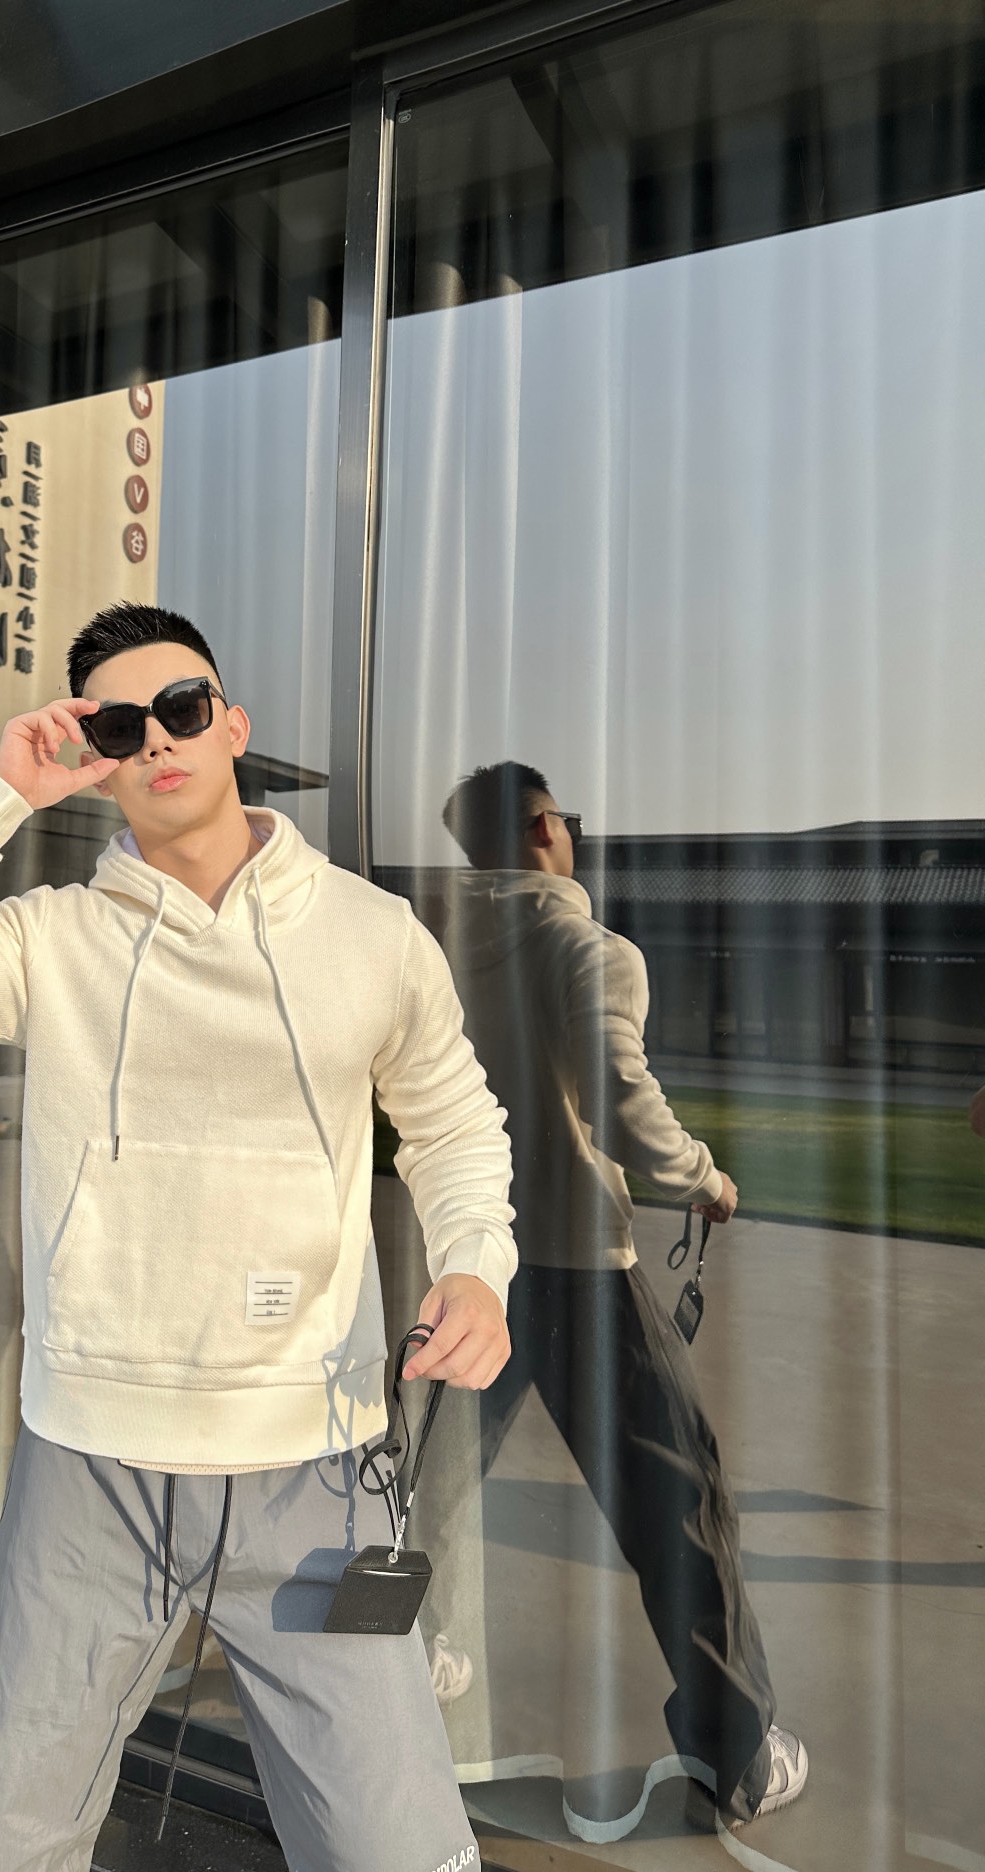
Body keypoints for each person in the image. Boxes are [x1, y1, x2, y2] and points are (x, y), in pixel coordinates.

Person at [0, 602, 517, 1872]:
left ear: (233, 724)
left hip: (316, 1466)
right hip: (90, 1464)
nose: (159, 740)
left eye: (182, 708)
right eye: (123, 725)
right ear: (100, 756)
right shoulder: (53, 939)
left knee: (397, 1847)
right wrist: (1, 798)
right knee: (8, 1844)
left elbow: (456, 1124)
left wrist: (475, 1267)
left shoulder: (372, 934)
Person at [435, 760, 808, 1831]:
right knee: (680, 1502)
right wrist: (705, 1179)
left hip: (468, 1260)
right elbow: (620, 1095)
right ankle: (737, 1753)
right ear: (543, 828)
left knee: (429, 1479)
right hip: (578, 1267)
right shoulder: (587, 947)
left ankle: (406, 1653)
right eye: (566, 821)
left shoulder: (437, 944)